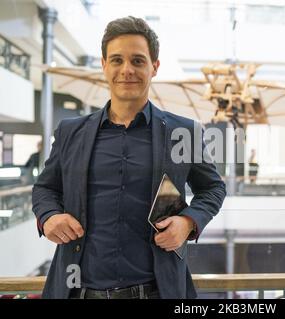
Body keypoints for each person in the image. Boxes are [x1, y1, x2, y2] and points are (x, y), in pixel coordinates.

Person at [32, 16, 226, 299]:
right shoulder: (70, 132)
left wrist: (188, 222)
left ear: (154, 67)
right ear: (103, 65)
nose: (127, 70)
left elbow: (213, 188)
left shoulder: (182, 132)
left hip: (157, 291)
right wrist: (49, 216)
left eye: (138, 61)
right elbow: (46, 188)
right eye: (117, 60)